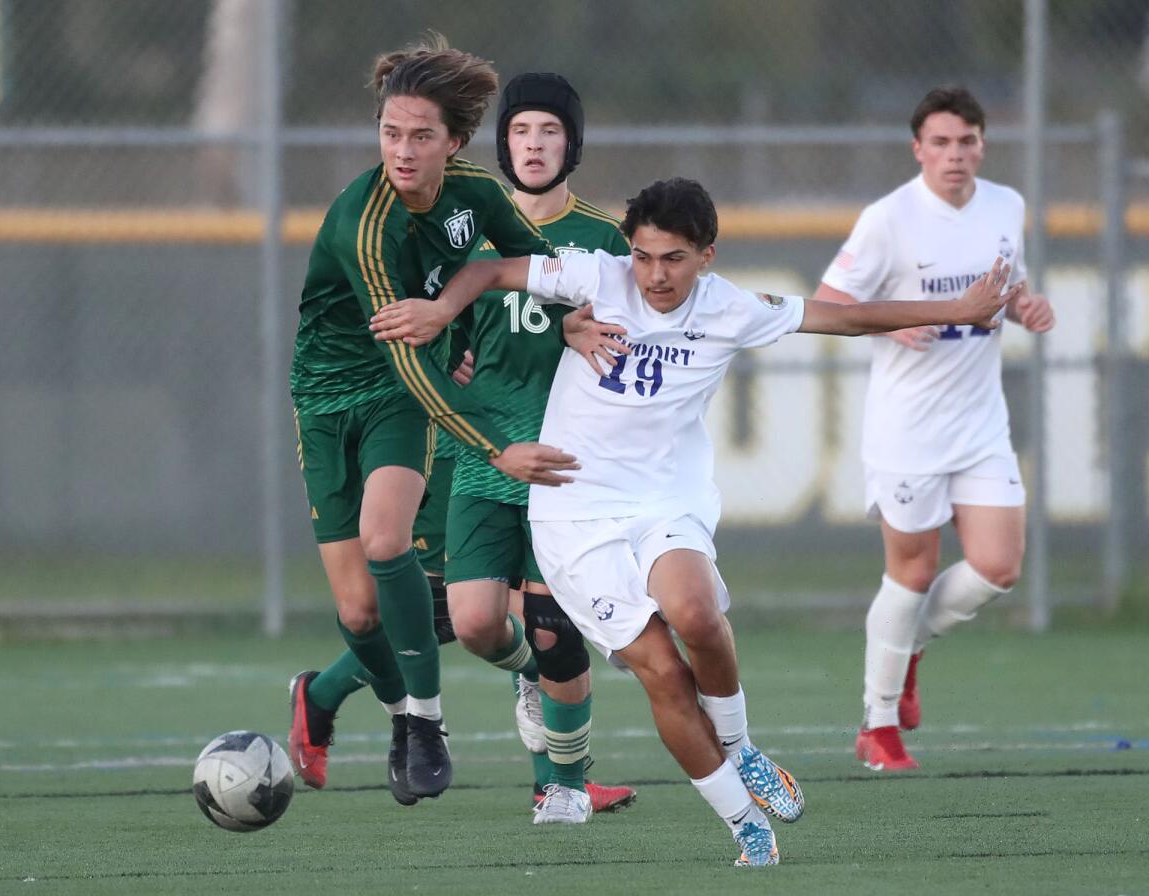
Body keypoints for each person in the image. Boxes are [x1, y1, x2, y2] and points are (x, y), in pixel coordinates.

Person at [370, 177, 1022, 865]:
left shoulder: (731, 309)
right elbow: (490, 268)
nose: (656, 274)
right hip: (575, 514)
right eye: (645, 257)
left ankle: (741, 749)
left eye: (674, 258)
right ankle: (745, 823)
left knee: (697, 612)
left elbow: (846, 317)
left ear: (707, 255)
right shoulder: (597, 276)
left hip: (664, 503)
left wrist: (961, 306)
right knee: (663, 674)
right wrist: (442, 311)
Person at [286, 33, 579, 804]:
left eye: (421, 136)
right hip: (325, 400)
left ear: (454, 141)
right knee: (356, 611)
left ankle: (424, 722)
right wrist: (496, 448)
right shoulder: (367, 224)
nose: (403, 151)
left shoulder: (475, 195)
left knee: (390, 542)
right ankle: (351, 703)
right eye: (390, 133)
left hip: (396, 398)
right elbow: (408, 346)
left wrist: (579, 314)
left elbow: (537, 263)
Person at [812, 86, 1056, 771]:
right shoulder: (888, 219)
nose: (955, 155)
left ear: (983, 145)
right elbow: (830, 303)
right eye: (941, 142)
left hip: (980, 422)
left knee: (999, 567)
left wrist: (1027, 309)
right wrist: (898, 316)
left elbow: (1008, 291)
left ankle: (910, 647)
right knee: (912, 570)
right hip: (907, 429)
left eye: (967, 141)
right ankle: (878, 724)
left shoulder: (1006, 205)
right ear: (917, 148)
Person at [446, 72, 636, 823]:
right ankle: (531, 675)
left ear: (572, 145)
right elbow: (446, 339)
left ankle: (563, 785)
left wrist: (586, 337)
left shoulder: (602, 240)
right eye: (521, 130)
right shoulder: (471, 233)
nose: (533, 144)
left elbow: (626, 346)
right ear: (503, 143)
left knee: (555, 632)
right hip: (483, 460)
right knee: (475, 626)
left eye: (549, 131)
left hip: (564, 470)